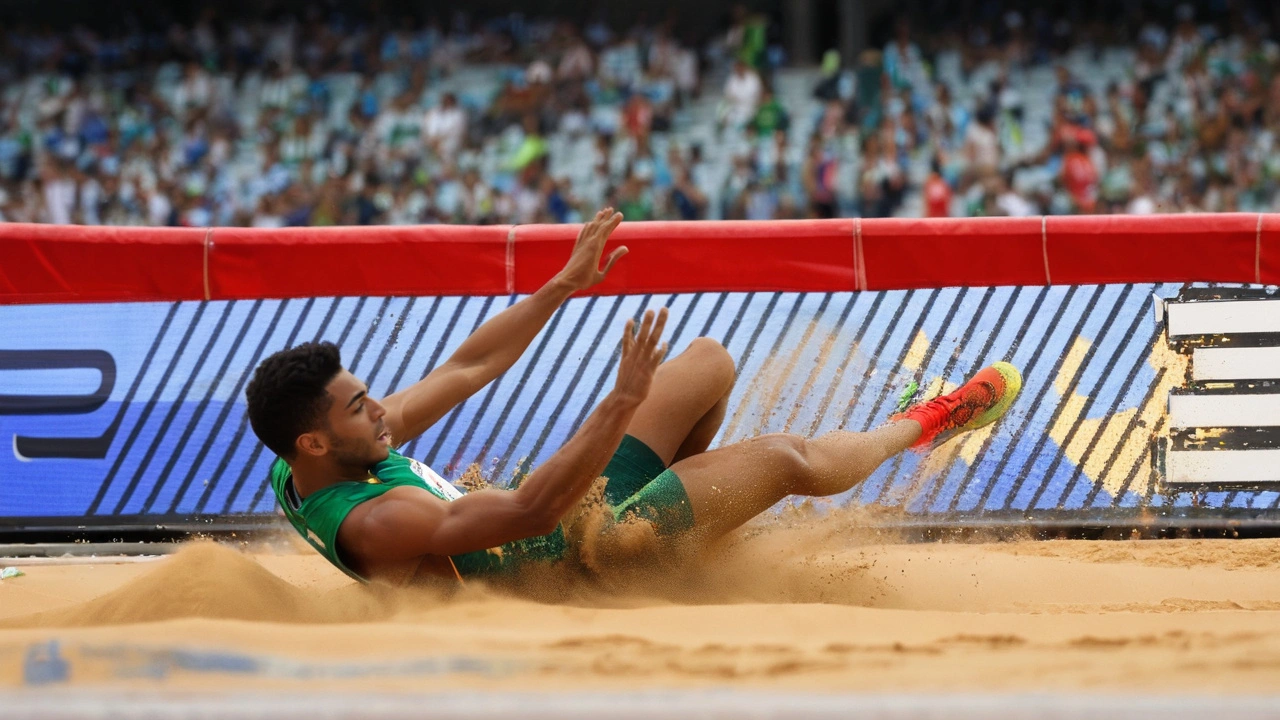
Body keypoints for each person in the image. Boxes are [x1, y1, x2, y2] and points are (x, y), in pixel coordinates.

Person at [245, 208, 1022, 585]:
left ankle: (690, 533)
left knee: (707, 361)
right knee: (790, 459)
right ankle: (924, 418)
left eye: (368, 395)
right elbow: (527, 516)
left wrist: (561, 284)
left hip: (554, 510)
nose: (381, 409)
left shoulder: (308, 457)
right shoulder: (377, 521)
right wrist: (618, 404)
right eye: (359, 407)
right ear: (315, 441)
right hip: (579, 558)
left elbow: (465, 368)